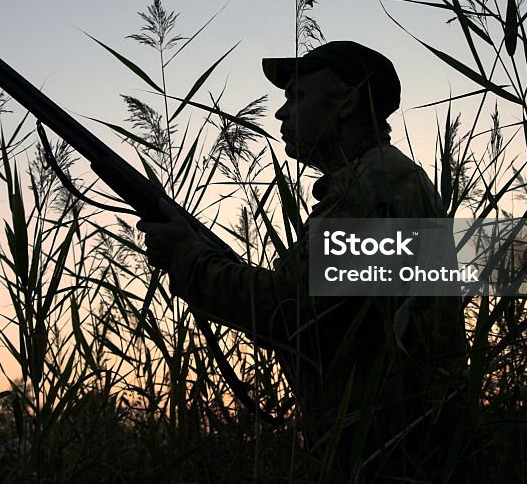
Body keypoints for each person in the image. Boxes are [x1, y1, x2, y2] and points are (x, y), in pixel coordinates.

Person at [138, 41, 468, 482]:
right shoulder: (383, 178)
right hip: (399, 449)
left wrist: (188, 259)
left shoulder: (373, 186)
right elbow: (328, 320)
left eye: (297, 97)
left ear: (348, 103)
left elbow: (291, 310)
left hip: (388, 456)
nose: (282, 113)